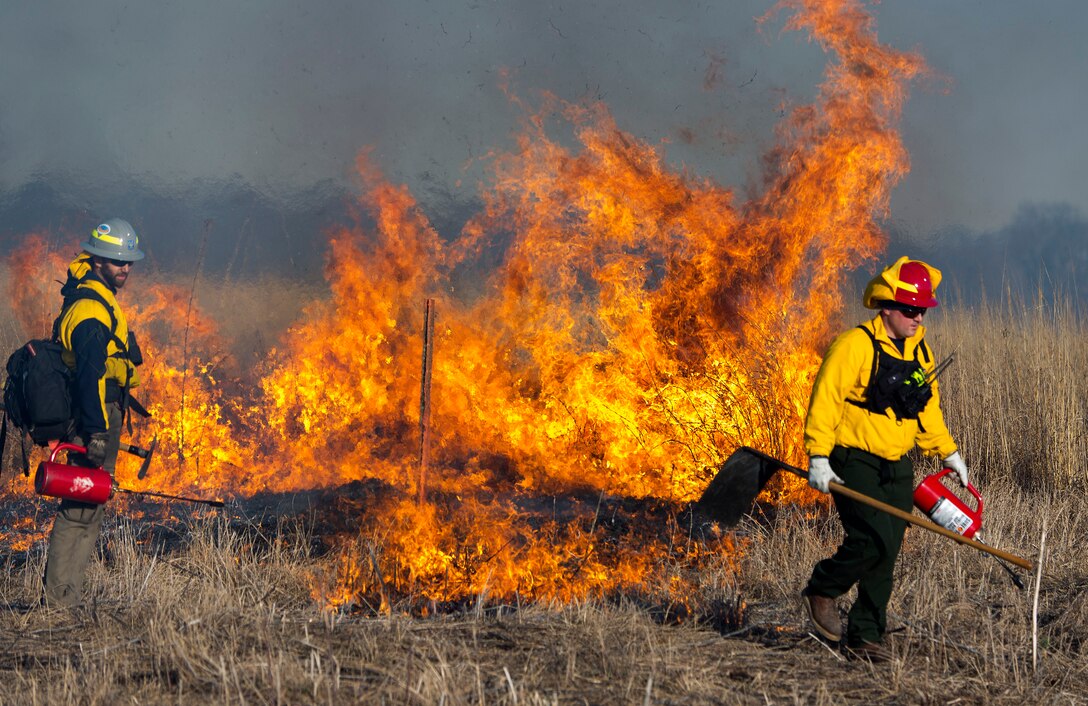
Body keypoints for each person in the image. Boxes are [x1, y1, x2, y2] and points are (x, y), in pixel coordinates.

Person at [800, 256, 968, 663]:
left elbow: (927, 410)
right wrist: (819, 456)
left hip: (898, 462)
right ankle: (824, 587)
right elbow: (825, 401)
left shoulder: (921, 353)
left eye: (923, 309)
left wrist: (948, 452)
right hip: (853, 458)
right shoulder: (853, 345)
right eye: (911, 309)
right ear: (887, 306)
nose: (918, 317)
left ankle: (865, 637)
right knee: (870, 538)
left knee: (889, 548)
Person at [43, 218, 145, 608]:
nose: (126, 268)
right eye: (118, 260)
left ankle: (67, 597)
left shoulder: (96, 297)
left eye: (130, 261)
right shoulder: (90, 309)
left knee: (91, 506)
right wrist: (97, 432)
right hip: (95, 416)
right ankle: (58, 602)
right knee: (78, 508)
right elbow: (89, 374)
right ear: (98, 259)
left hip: (98, 414)